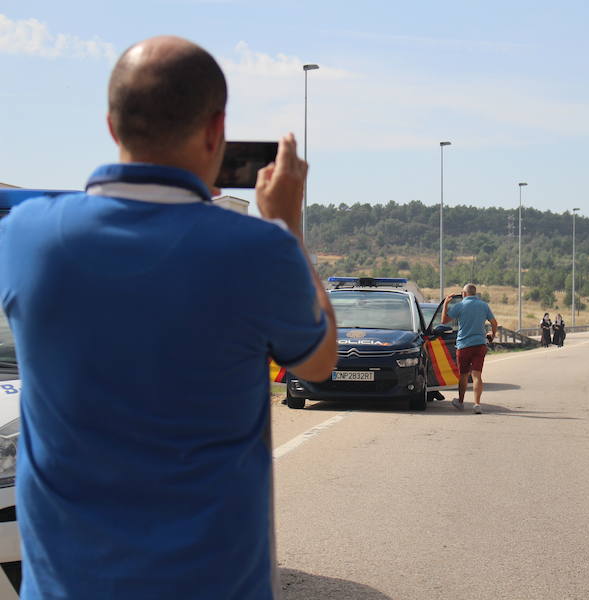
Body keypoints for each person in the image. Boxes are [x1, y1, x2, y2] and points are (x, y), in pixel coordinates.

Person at [0, 36, 338, 599]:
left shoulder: (24, 238)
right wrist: (288, 227)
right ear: (215, 132)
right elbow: (321, 363)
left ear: (112, 125)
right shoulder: (258, 251)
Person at [442, 284, 498, 414]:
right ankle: (477, 404)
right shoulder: (483, 305)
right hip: (479, 344)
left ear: (464, 293)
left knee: (463, 375)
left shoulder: (460, 305)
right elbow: (494, 323)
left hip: (464, 345)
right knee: (477, 375)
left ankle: (461, 402)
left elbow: (444, 321)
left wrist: (445, 303)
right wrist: (492, 335)